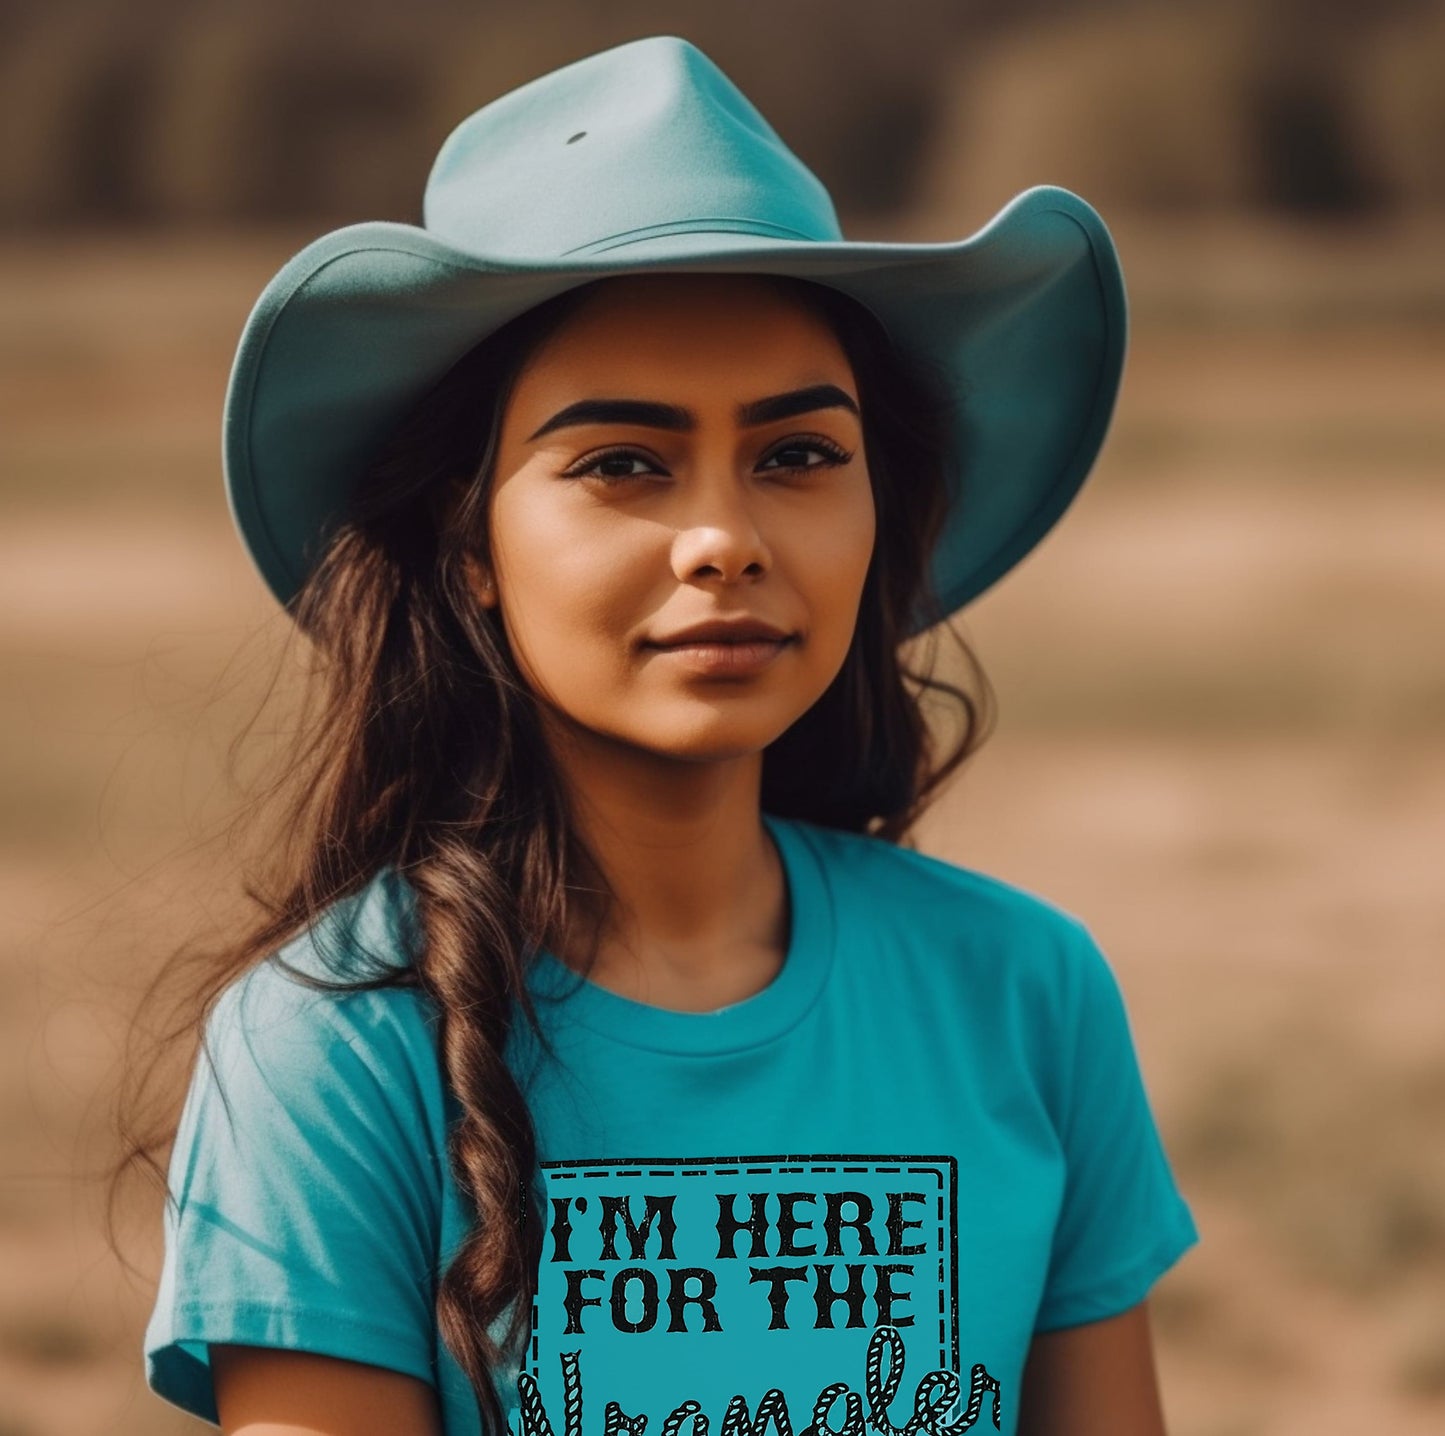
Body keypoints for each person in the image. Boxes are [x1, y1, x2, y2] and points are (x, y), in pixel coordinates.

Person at [133, 33, 1199, 1436]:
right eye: (621, 463)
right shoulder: (326, 1049)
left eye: (798, 455)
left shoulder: (1025, 991)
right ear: (469, 544)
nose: (724, 539)